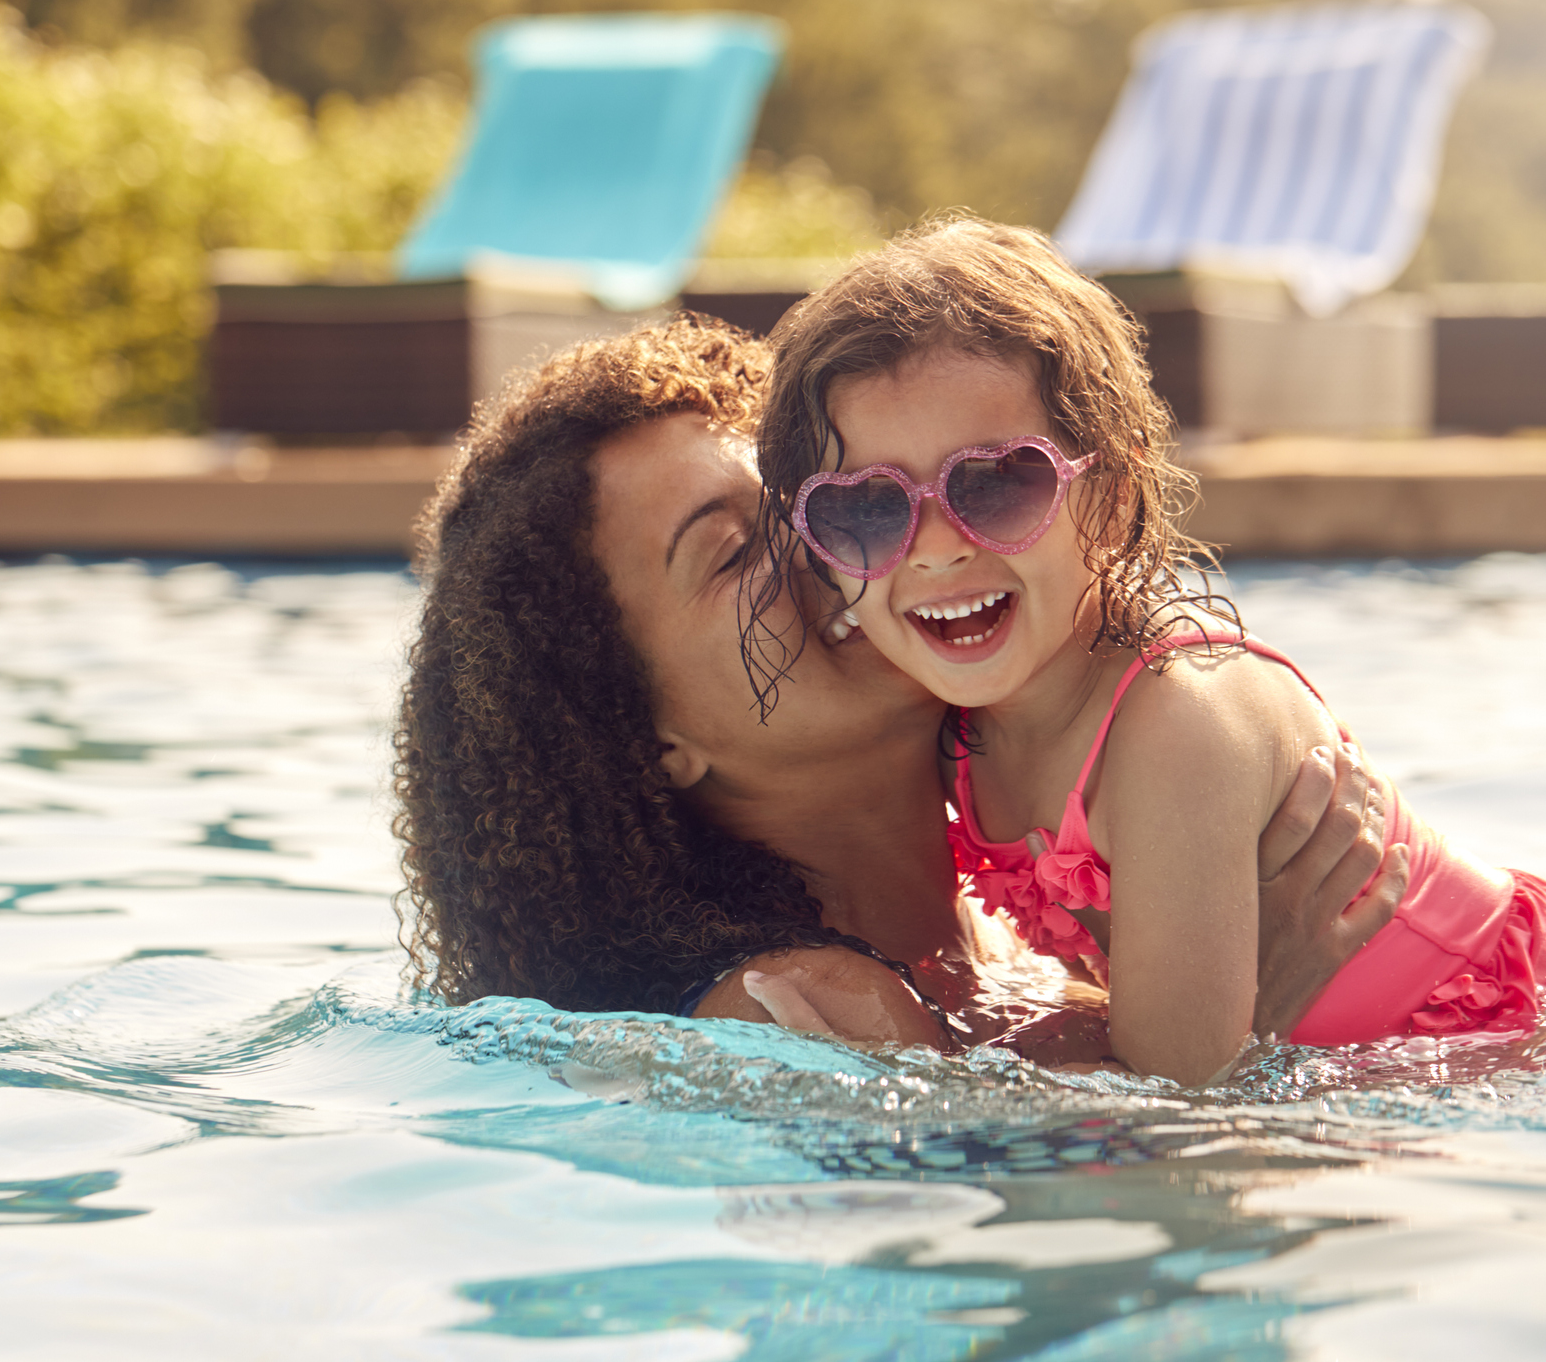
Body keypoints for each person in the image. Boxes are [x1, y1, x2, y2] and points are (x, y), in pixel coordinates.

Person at [395, 314, 1401, 1060]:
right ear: (648, 740)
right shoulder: (801, 1011)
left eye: (830, 496)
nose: (848, 545)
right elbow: (1160, 1200)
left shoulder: (1020, 907)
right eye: (736, 550)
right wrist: (1272, 1012)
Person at [757, 216, 1540, 1084]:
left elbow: (1171, 1106)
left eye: (997, 483)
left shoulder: (1181, 721)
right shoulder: (955, 726)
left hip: (1501, 1031)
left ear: (1115, 489)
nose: (936, 547)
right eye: (867, 509)